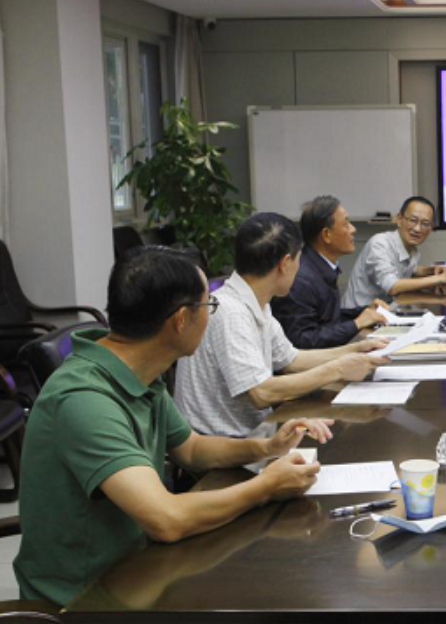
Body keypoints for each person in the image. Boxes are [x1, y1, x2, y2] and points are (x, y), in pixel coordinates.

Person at [15, 246, 331, 607]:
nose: (210, 315)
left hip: (141, 569)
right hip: (84, 600)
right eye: (208, 306)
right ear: (181, 319)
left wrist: (266, 448)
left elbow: (191, 448)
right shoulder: (85, 399)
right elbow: (165, 519)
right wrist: (266, 487)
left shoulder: (138, 371)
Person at [175, 213, 387, 438]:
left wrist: (355, 349)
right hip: (225, 447)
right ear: (285, 264)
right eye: (298, 259)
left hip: (258, 435)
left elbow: (291, 360)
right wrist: (337, 369)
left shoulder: (255, 301)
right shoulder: (231, 312)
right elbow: (262, 393)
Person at [271, 196, 387, 348]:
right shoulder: (300, 279)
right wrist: (357, 323)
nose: (353, 229)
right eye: (346, 224)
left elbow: (327, 319)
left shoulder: (318, 265)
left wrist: (365, 311)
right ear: (326, 235)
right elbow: (301, 340)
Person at [342, 196, 446, 308]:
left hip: (384, 310)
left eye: (425, 223)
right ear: (399, 219)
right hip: (356, 315)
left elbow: (408, 269)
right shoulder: (380, 244)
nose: (417, 229)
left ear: (431, 227)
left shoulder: (411, 248)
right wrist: (441, 278)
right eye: (413, 220)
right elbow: (392, 286)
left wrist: (431, 271)